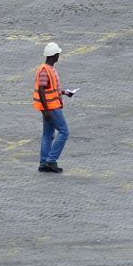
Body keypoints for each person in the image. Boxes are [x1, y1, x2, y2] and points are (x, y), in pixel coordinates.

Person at [33, 41, 76, 173]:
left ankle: (44, 162)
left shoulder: (49, 69)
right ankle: (51, 160)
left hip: (50, 106)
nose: (59, 56)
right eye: (57, 54)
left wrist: (65, 92)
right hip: (51, 107)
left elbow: (50, 89)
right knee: (64, 131)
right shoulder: (45, 71)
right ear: (53, 56)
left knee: (48, 134)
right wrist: (46, 110)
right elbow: (41, 90)